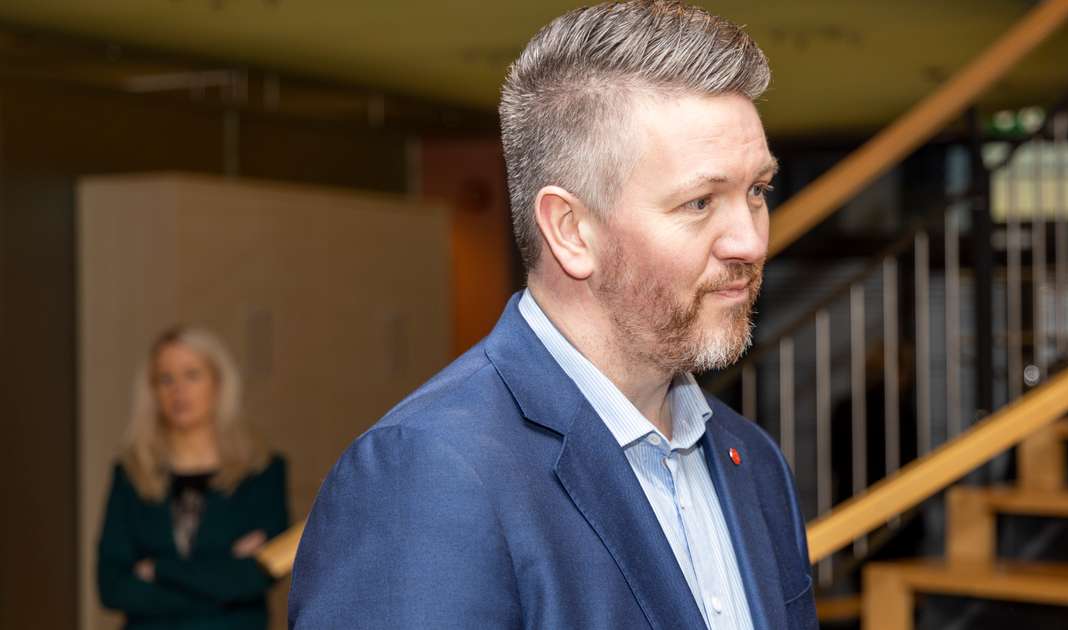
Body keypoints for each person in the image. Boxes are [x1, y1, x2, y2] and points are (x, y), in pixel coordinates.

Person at [289, 1, 818, 628]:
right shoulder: (427, 477)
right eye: (700, 202)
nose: (750, 242)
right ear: (570, 230)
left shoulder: (753, 462)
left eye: (757, 191)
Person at [98, 326, 289, 630]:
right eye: (166, 379)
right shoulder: (131, 472)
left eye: (192, 375)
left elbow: (258, 576)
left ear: (218, 382)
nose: (178, 391)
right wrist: (223, 568)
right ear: (153, 391)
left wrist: (158, 569)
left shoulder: (262, 470)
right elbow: (112, 587)